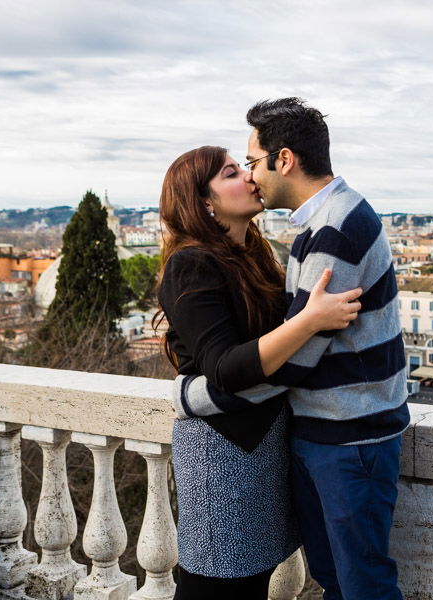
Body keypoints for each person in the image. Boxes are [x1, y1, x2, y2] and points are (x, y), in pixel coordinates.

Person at [177, 99, 408, 599]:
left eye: (252, 162)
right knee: (337, 579)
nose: (251, 176)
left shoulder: (334, 229)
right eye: (237, 170)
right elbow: (288, 344)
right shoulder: (315, 228)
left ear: (284, 160)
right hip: (317, 437)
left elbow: (296, 363)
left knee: (360, 584)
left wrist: (191, 398)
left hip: (349, 438)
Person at [155, 146, 362, 599]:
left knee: (249, 585)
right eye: (232, 172)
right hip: (222, 451)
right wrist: (310, 319)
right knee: (215, 585)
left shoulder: (253, 255)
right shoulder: (190, 264)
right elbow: (226, 367)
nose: (251, 177)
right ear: (204, 202)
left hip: (261, 444)